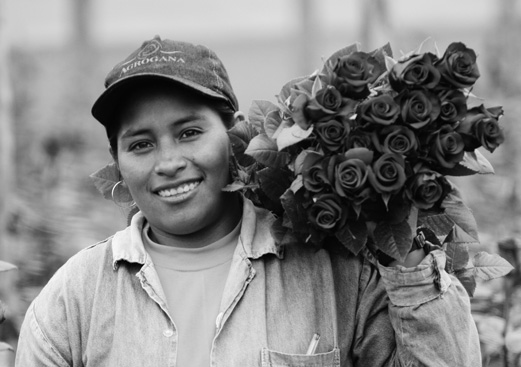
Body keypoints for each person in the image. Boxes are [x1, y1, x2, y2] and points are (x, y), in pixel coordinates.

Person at [15, 35, 481, 366]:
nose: (169, 161)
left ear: (236, 135)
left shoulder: (334, 271)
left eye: (190, 132)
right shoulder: (77, 296)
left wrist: (405, 242)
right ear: (117, 161)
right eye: (141, 144)